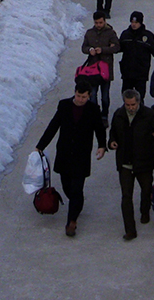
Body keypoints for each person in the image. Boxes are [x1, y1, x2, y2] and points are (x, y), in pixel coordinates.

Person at [35, 80, 107, 237]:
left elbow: (99, 129)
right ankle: (77, 203)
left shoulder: (93, 109)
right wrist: (40, 145)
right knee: (67, 186)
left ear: (89, 96)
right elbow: (53, 126)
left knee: (76, 188)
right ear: (75, 93)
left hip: (81, 155)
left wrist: (102, 145)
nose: (80, 99)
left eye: (84, 97)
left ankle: (71, 221)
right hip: (65, 153)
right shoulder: (64, 105)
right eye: (78, 96)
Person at [107, 89, 154, 241]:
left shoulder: (149, 115)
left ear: (139, 102)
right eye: (127, 105)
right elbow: (113, 132)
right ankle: (130, 229)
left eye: (133, 104)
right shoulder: (119, 115)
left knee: (146, 189)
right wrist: (111, 142)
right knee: (126, 196)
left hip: (144, 162)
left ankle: (145, 211)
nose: (130, 107)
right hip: (125, 163)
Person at [81, 11, 120, 128]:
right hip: (92, 70)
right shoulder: (89, 33)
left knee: (105, 96)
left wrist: (103, 50)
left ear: (105, 21)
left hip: (105, 70)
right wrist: (90, 50)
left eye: (101, 22)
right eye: (96, 23)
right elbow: (84, 47)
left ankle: (104, 116)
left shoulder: (110, 33)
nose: (98, 25)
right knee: (92, 95)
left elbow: (117, 47)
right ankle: (95, 116)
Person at [118, 11, 154, 103]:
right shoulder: (125, 34)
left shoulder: (148, 36)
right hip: (127, 72)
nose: (134, 25)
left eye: (136, 22)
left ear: (141, 23)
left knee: (139, 98)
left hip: (141, 73)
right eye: (132, 22)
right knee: (126, 96)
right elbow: (118, 48)